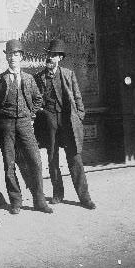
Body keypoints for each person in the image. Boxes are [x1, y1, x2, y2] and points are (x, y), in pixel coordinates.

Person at [0, 39, 53, 215]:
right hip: (6, 125)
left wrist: (30, 115)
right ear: (6, 57)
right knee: (9, 164)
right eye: (9, 54)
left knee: (35, 161)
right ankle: (16, 201)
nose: (12, 58)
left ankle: (39, 201)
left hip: (25, 124)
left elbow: (38, 99)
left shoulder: (29, 78)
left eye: (16, 54)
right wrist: (1, 117)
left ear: (21, 57)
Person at [34, 39, 96, 210]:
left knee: (74, 158)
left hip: (68, 120)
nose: (50, 58)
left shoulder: (68, 74)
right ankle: (57, 194)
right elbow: (35, 99)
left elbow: (77, 98)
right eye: (48, 55)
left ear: (60, 58)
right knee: (52, 158)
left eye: (54, 56)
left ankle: (85, 198)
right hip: (49, 121)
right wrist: (41, 111)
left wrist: (80, 117)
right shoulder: (38, 77)